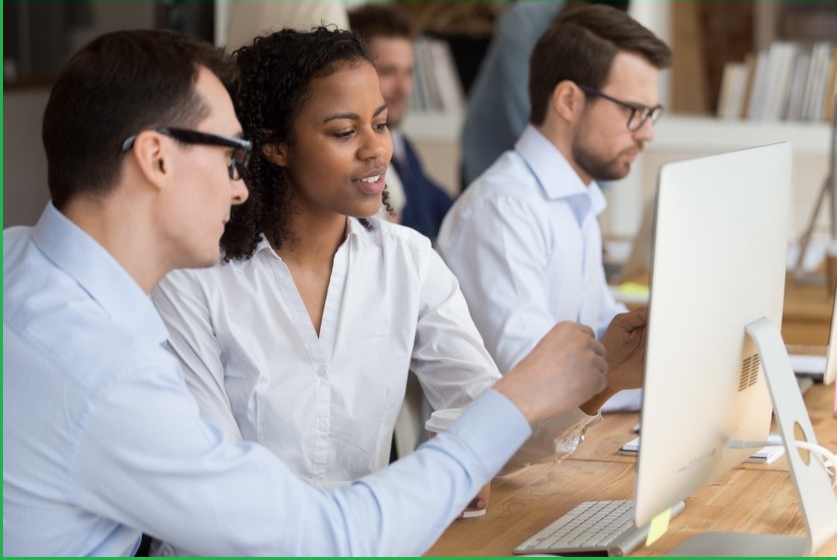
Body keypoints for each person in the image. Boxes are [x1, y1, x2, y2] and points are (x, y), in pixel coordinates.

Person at [2, 28, 610, 557]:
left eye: (380, 124)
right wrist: (513, 398)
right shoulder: (110, 372)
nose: (239, 188)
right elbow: (314, 538)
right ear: (157, 160)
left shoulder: (19, 266)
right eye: (229, 154)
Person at [148, 26, 646, 525]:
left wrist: (601, 385)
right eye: (344, 132)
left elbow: (490, 431)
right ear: (275, 146)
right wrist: (431, 483)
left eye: (381, 124)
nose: (376, 150)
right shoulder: (193, 279)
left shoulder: (407, 261)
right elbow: (222, 490)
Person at [437, 6, 671, 400]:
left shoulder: (576, 204)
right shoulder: (502, 211)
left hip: (555, 451)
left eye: (651, 114)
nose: (646, 133)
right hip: (510, 460)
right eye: (634, 112)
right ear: (568, 100)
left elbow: (606, 340)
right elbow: (540, 384)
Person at [458, 1, 630, 189]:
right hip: (491, 161)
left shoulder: (613, 40)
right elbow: (533, 118)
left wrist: (599, 174)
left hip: (566, 172)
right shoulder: (524, 22)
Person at [348, 2, 454, 242]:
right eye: (388, 72)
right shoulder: (359, 159)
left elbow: (449, 208)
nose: (404, 87)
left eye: (408, 72)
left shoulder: (404, 146)